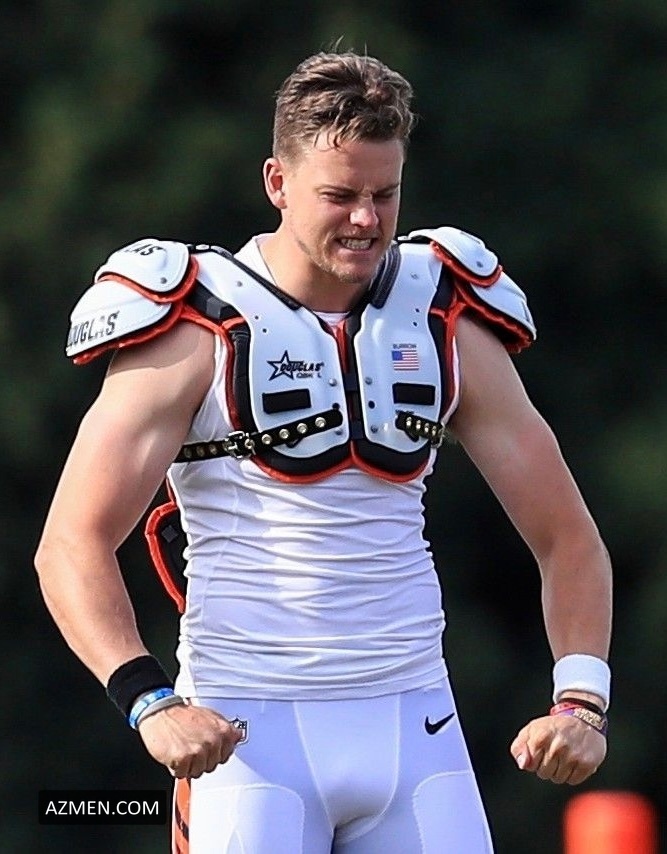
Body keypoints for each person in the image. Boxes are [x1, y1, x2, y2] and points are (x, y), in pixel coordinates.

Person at [35, 50, 612, 853]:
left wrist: (581, 699)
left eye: (385, 194)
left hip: (416, 723)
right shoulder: (196, 321)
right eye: (339, 195)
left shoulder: (442, 315)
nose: (366, 220)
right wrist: (149, 701)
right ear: (277, 182)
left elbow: (567, 535)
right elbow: (71, 542)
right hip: (246, 736)